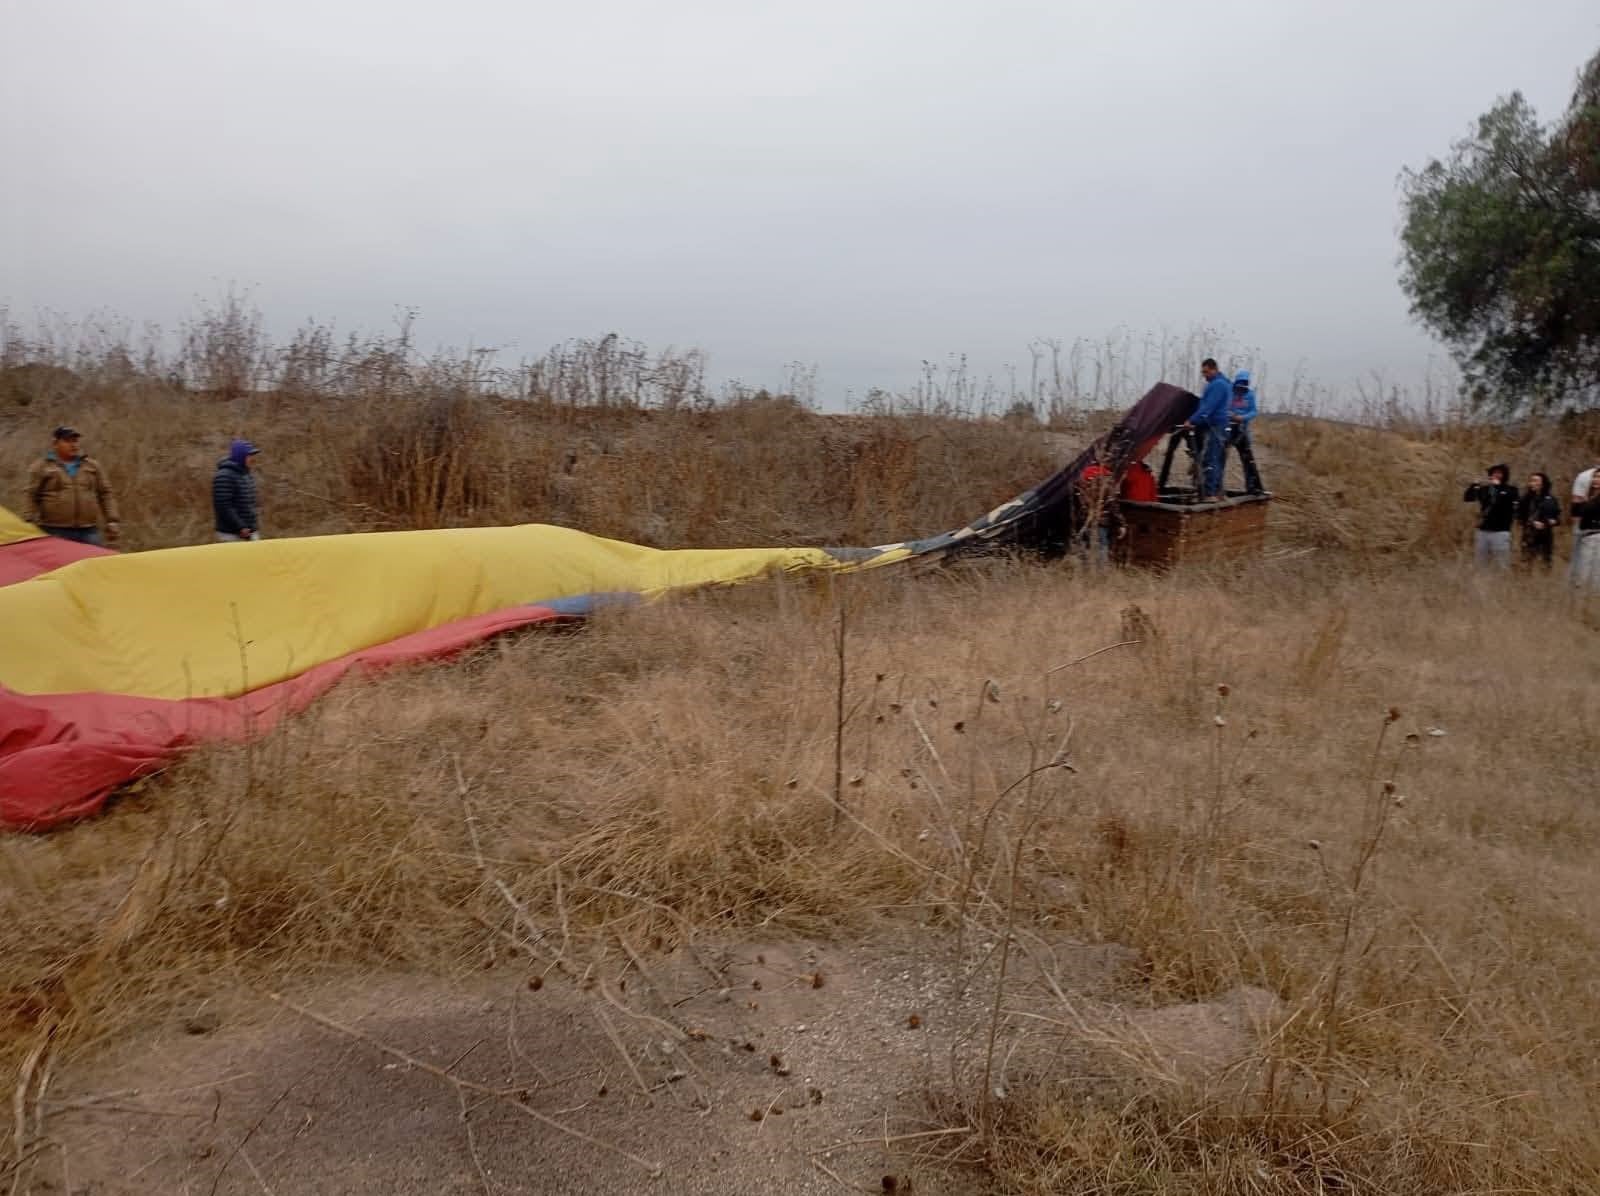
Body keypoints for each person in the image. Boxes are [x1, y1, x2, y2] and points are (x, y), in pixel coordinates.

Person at [23, 425, 121, 546]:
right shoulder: (42, 466)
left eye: (75, 441)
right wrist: (29, 521)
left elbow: (105, 493)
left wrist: (112, 520)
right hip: (55, 530)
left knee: (94, 562)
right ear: (55, 443)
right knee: (60, 564)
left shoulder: (91, 465)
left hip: (88, 530)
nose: (73, 445)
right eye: (67, 441)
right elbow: (31, 494)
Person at [1180, 358, 1232, 500]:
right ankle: (1218, 492)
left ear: (1214, 369)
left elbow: (1208, 407)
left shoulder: (1218, 385)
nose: (1204, 375)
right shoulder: (1224, 383)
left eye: (1206, 372)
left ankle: (1209, 494)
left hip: (1215, 426)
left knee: (1211, 458)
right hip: (1221, 426)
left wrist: (1192, 420)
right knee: (1218, 460)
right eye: (1203, 372)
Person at [1463, 464, 1518, 568]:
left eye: (1499, 473)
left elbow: (1508, 502)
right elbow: (1468, 498)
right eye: (1494, 473)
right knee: (1480, 563)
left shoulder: (1511, 490)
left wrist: (1498, 487)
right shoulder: (1485, 489)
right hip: (1483, 530)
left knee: (1501, 564)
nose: (1496, 475)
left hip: (1501, 531)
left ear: (1504, 475)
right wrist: (1473, 485)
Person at [212, 439, 262, 542]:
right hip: (232, 535)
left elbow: (249, 504)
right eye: (249, 455)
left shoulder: (246, 474)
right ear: (240, 456)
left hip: (249, 532)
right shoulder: (224, 476)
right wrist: (241, 527)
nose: (253, 459)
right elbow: (223, 506)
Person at [1075, 462, 1125, 565]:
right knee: (1102, 549)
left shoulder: (1082, 476)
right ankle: (1100, 577)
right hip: (1100, 522)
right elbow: (1112, 504)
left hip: (1084, 521)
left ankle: (1084, 575)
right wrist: (1121, 523)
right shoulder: (1107, 479)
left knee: (1085, 550)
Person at [1224, 369, 1264, 495]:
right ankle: (1215, 486)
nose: (1241, 389)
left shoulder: (1250, 395)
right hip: (1228, 428)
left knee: (1247, 458)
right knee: (1220, 456)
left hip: (1242, 429)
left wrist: (1243, 417)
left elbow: (1253, 411)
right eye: (1239, 386)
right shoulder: (1229, 392)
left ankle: (1252, 487)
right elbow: (1222, 406)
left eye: (1243, 386)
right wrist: (1229, 414)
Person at [1516, 472, 1560, 570]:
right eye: (1531, 481)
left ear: (1543, 483)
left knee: (1545, 565)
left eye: (1536, 481)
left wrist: (1552, 522)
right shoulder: (1525, 499)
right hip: (1529, 536)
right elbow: (1519, 518)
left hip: (1545, 537)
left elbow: (1557, 519)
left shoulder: (1551, 499)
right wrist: (1532, 523)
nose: (1532, 483)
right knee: (1526, 565)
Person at [1573, 470, 1600, 594]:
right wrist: (1579, 504)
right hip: (1585, 535)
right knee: (1583, 571)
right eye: (1595, 477)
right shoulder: (1589, 497)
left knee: (1595, 572)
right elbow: (1576, 516)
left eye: (1599, 477)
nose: (1596, 479)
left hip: (1596, 535)